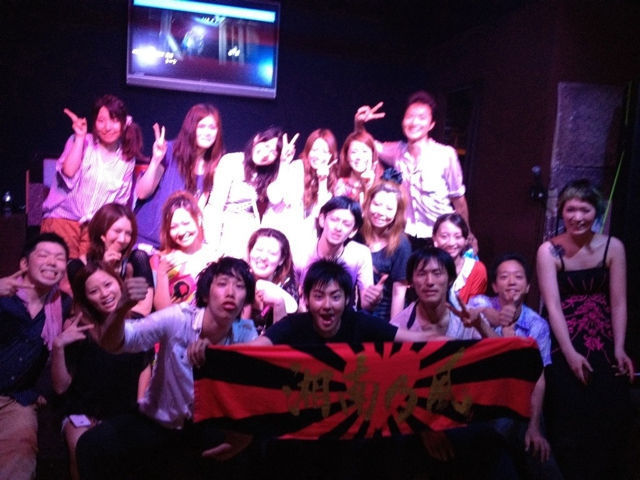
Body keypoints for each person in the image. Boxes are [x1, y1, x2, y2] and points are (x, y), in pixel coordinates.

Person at [75, 257, 258, 479]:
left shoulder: (247, 333)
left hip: (204, 428)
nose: (230, 292)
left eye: (240, 286)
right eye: (222, 283)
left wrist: (217, 359)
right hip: (157, 422)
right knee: (91, 445)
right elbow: (117, 343)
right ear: (205, 294)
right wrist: (122, 308)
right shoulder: (178, 318)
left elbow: (250, 394)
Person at [536, 179, 633, 480]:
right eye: (571, 209)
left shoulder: (613, 247)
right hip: (564, 337)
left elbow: (618, 302)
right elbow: (552, 306)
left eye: (585, 210)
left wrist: (619, 347)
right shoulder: (549, 251)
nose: (577, 217)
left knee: (609, 410)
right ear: (561, 211)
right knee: (569, 410)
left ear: (597, 212)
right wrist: (569, 354)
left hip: (603, 337)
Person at [51, 262, 152, 480]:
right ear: (86, 298)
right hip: (83, 413)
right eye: (94, 291)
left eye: (108, 284)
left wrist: (140, 410)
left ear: (119, 283)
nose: (104, 294)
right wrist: (58, 346)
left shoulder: (139, 323)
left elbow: (145, 367)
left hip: (124, 412)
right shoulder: (80, 329)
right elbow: (60, 387)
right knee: (82, 450)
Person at [467, 253, 563, 479]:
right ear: (494, 286)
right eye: (504, 277)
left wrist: (535, 426)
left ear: (528, 286)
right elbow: (468, 311)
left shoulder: (537, 325)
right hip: (484, 403)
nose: (511, 282)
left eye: (518, 277)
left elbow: (538, 378)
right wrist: (489, 316)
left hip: (522, 403)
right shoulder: (480, 304)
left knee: (536, 449)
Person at [354, 91, 469, 248]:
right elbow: (366, 145)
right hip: (406, 236)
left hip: (439, 238)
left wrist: (467, 235)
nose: (414, 122)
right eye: (410, 116)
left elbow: (459, 201)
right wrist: (359, 124)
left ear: (431, 124)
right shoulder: (397, 151)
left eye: (422, 118)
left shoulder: (445, 155)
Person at [0, 233, 72, 480]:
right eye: (43, 255)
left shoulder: (63, 305)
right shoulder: (4, 295)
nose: (52, 262)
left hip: (16, 400)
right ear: (24, 263)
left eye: (59, 258)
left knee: (20, 456)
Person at [41, 95, 144, 258]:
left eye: (114, 120)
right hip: (63, 219)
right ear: (94, 122)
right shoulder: (82, 141)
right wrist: (80, 137)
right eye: (101, 121)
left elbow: (120, 202)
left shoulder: (126, 159)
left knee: (89, 273)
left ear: (124, 124)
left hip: (95, 229)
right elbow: (68, 173)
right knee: (59, 271)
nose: (107, 127)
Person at [252, 258, 439, 345]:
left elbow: (417, 339)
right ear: (306, 299)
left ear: (347, 299)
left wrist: (456, 347)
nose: (327, 305)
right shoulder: (293, 325)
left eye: (335, 297)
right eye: (318, 296)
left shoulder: (361, 323)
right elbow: (257, 348)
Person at [134, 103, 224, 251]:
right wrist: (156, 160)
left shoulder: (216, 166)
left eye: (212, 128)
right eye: (202, 126)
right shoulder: (169, 151)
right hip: (146, 239)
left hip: (177, 245)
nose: (207, 132)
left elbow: (200, 213)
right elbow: (142, 193)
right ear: (191, 127)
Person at [205, 128, 300, 258]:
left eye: (273, 152)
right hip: (227, 232)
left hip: (251, 234)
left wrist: (283, 163)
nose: (266, 154)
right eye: (266, 145)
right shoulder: (232, 161)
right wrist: (213, 246)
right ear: (256, 140)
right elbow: (215, 206)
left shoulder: (268, 174)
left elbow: (276, 198)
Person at [293, 196, 382, 313]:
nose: (338, 228)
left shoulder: (360, 254)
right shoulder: (302, 251)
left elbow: (366, 304)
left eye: (346, 224)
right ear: (322, 220)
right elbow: (292, 295)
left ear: (353, 231)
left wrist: (372, 298)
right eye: (334, 220)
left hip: (343, 317)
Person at [66, 202, 154, 317]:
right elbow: (86, 311)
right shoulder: (78, 266)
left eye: (128, 233)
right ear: (101, 231)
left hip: (132, 325)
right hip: (97, 327)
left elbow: (144, 308)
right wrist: (104, 268)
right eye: (117, 231)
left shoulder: (137, 259)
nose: (122, 239)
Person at [390, 246, 494, 339]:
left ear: (450, 279)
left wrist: (480, 325)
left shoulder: (469, 316)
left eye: (437, 273)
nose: (429, 281)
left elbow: (499, 350)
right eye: (422, 274)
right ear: (411, 281)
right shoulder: (399, 325)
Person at [359, 175, 411, 321]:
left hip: (382, 317)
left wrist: (393, 329)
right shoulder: (357, 234)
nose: (381, 212)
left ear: (397, 213)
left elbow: (398, 293)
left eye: (389, 208)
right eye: (377, 204)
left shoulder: (401, 245)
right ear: (368, 203)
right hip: (354, 312)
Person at [152, 191, 214, 310]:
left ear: (198, 219)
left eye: (186, 223)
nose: (181, 231)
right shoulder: (165, 260)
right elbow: (162, 311)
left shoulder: (214, 258)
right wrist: (162, 273)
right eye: (174, 227)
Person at [244, 228, 298, 334]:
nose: (263, 257)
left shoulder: (288, 287)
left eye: (272, 253)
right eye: (259, 250)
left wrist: (278, 302)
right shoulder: (238, 278)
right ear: (250, 251)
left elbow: (282, 336)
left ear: (281, 260)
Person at [432, 213, 487, 304]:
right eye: (444, 236)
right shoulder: (425, 269)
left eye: (457, 237)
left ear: (465, 240)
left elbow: (474, 308)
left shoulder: (476, 269)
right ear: (434, 239)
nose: (451, 243)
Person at [333, 130, 379, 204]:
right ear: (347, 157)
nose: (359, 157)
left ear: (372, 155)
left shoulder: (380, 185)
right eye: (354, 152)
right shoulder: (342, 186)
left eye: (364, 151)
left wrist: (369, 187)